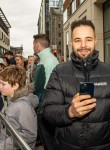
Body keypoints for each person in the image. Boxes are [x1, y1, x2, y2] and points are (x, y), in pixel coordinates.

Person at [42, 19, 110, 150]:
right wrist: (70, 112)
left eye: (88, 39)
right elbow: (47, 110)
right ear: (71, 42)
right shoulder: (59, 72)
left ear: (95, 40)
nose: (83, 45)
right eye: (78, 40)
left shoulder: (109, 72)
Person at [0, 66, 39, 150]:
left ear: (15, 86)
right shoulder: (10, 100)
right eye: (0, 83)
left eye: (3, 84)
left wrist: (3, 147)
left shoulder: (22, 106)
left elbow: (30, 134)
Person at [33, 34, 59, 149]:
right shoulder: (48, 58)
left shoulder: (47, 60)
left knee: (48, 141)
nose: (33, 47)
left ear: (38, 45)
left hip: (45, 107)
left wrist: (39, 108)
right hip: (46, 106)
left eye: (33, 44)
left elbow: (45, 88)